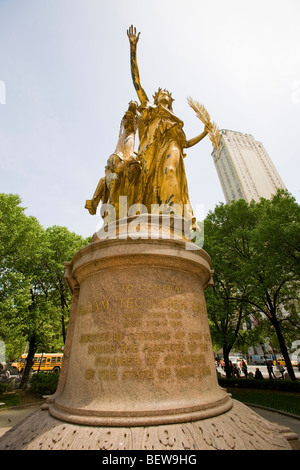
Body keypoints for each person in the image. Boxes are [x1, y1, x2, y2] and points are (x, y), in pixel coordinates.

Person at [127, 25, 210, 228]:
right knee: (147, 189)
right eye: (160, 94)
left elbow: (186, 143)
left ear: (170, 100)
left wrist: (204, 133)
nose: (163, 95)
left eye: (166, 95)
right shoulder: (150, 110)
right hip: (149, 153)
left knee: (170, 171)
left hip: (171, 147)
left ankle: (171, 212)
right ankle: (154, 215)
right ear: (156, 98)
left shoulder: (173, 121)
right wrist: (133, 49)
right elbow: (136, 81)